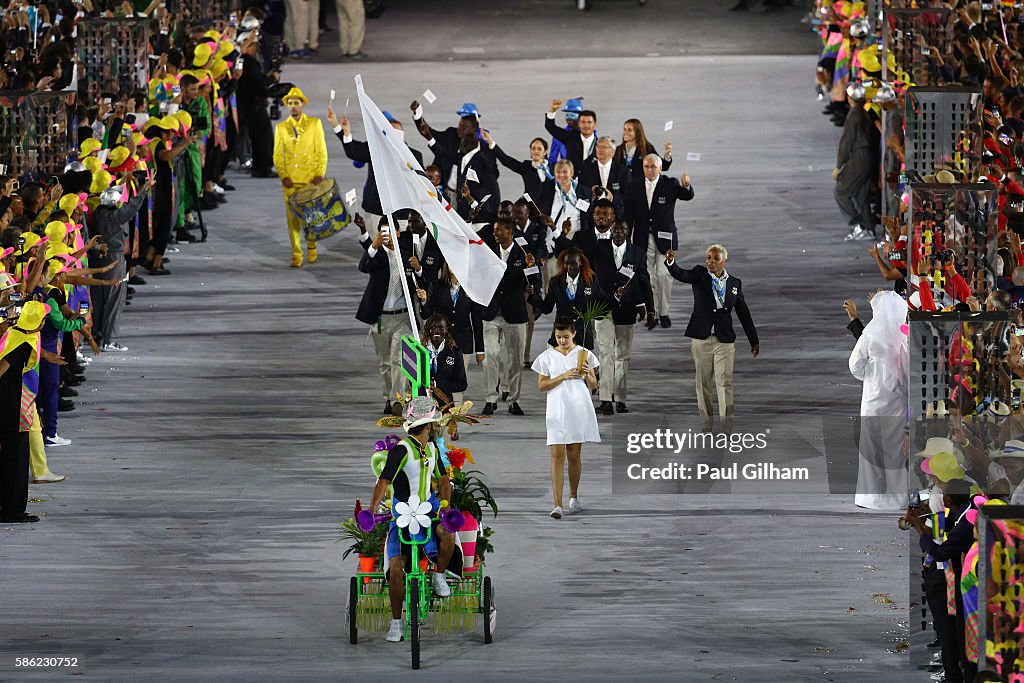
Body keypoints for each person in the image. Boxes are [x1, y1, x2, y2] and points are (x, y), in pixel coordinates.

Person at [368, 396, 459, 643]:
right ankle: (397, 623)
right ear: (429, 426)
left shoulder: (432, 449)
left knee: (448, 532)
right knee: (396, 569)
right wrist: (372, 511)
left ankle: (439, 575)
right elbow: (383, 481)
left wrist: (446, 506)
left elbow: (442, 478)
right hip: (402, 518)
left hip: (429, 513)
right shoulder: (401, 451)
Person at [666, 244, 759, 432]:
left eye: (716, 259)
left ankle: (727, 425)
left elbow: (744, 313)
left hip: (724, 340)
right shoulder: (699, 275)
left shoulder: (734, 283)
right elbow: (680, 274)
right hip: (701, 339)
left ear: (724, 261)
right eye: (708, 258)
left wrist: (753, 339)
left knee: (725, 382)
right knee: (703, 383)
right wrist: (670, 262)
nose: (711, 261)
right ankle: (707, 424)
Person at [532, 315, 600, 519]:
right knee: (556, 456)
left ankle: (573, 496)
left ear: (574, 335)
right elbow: (542, 385)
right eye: (559, 337)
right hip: (556, 410)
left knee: (574, 454)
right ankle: (557, 504)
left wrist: (588, 373)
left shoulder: (584, 354)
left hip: (578, 407)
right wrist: (562, 376)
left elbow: (593, 384)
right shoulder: (547, 357)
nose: (562, 341)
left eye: (566, 337)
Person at [847, 289, 908, 510]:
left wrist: (871, 379)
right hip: (898, 404)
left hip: (873, 404)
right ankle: (898, 497)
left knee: (872, 451)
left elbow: (854, 365)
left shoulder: (870, 335)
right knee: (896, 453)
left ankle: (871, 497)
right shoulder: (904, 335)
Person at [328, 106, 424, 237]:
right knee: (377, 247)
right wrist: (342, 129)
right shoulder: (375, 150)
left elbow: (420, 185)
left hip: (402, 212)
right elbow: (353, 150)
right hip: (376, 211)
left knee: (402, 250)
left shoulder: (415, 156)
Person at [623, 154, 693, 327]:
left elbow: (687, 195)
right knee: (647, 277)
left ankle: (664, 312)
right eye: (646, 166)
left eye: (653, 166)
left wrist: (687, 185)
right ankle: (650, 312)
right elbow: (628, 216)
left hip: (665, 240)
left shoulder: (670, 183)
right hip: (641, 238)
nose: (650, 170)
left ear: (660, 168)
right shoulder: (634, 187)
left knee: (663, 275)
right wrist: (626, 241)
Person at [357, 218, 414, 416]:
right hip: (381, 318)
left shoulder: (408, 257)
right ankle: (388, 398)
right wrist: (373, 245)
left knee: (399, 359)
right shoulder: (377, 256)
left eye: (390, 231)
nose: (387, 235)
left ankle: (398, 400)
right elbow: (363, 267)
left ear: (398, 233)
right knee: (384, 363)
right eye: (383, 231)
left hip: (404, 318)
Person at [479, 218, 536, 417]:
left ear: (510, 232)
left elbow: (533, 280)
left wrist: (531, 269)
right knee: (490, 357)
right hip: (491, 312)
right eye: (494, 230)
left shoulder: (523, 253)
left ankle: (514, 400)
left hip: (515, 313)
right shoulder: (488, 252)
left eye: (499, 230)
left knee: (515, 360)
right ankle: (490, 399)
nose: (495, 234)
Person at [0, 301, 49, 523]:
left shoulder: (13, 334)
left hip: (11, 405)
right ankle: (13, 510)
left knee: (9, 458)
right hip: (14, 408)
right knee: (16, 460)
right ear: (37, 323)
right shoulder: (23, 343)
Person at [273, 87, 327, 268]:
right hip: (290, 181)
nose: (294, 107)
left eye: (297, 103)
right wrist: (283, 175)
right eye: (290, 103)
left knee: (310, 217)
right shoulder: (281, 128)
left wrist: (320, 173)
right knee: (292, 220)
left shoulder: (314, 124)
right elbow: (278, 155)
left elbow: (321, 151)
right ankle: (296, 253)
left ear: (303, 104)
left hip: (310, 179)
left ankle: (311, 246)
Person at [530, 247, 610, 351]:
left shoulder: (591, 280)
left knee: (581, 367)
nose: (569, 267)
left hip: (583, 337)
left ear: (580, 262)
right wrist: (533, 295)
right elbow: (546, 308)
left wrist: (615, 298)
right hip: (561, 337)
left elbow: (603, 301)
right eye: (566, 263)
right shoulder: (555, 282)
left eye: (573, 263)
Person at [835, 82, 880, 242]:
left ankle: (858, 225)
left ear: (850, 98)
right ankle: (869, 229)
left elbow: (846, 141)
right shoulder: (865, 113)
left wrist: (839, 166)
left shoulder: (853, 115)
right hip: (868, 157)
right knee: (861, 195)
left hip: (858, 157)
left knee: (841, 191)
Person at [421, 314, 467, 406]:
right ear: (428, 330)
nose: (437, 331)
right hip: (422, 404)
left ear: (447, 330)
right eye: (433, 327)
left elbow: (461, 384)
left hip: (445, 406)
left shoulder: (454, 353)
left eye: (441, 328)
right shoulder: (420, 351)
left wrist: (436, 384)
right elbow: (411, 380)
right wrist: (423, 384)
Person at [578, 136, 630, 217]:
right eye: (598, 146)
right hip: (592, 218)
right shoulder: (585, 168)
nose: (600, 149)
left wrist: (612, 198)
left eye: (604, 147)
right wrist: (590, 194)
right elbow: (579, 194)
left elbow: (628, 197)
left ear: (613, 151)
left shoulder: (623, 171)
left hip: (614, 217)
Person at [545, 99, 598, 173]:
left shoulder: (600, 144)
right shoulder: (570, 137)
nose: (586, 125)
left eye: (589, 122)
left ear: (595, 124)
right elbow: (550, 127)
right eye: (583, 122)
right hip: (571, 180)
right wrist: (552, 110)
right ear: (579, 123)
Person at [614, 118, 672, 184]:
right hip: (622, 189)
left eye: (629, 130)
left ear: (637, 132)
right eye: (624, 129)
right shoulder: (618, 150)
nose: (625, 132)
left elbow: (663, 166)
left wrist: (667, 155)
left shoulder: (646, 148)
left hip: (640, 188)